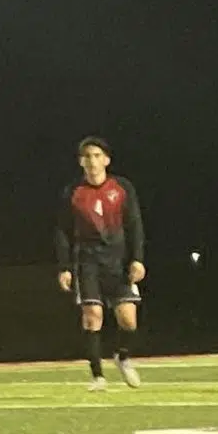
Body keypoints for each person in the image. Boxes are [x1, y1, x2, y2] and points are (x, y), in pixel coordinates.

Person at [56, 137, 146, 389]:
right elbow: (63, 231)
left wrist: (137, 259)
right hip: (87, 262)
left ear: (106, 159)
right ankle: (98, 376)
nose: (92, 162)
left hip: (117, 262)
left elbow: (135, 225)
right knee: (92, 315)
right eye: (87, 157)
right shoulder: (73, 192)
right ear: (80, 161)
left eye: (97, 156)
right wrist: (64, 266)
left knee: (129, 320)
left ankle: (123, 357)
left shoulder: (122, 187)